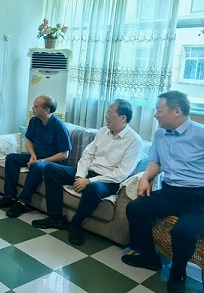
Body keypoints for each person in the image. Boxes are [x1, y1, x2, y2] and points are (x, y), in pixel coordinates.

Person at [121, 91, 204, 293]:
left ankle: (178, 273)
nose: (155, 115)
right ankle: (149, 257)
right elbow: (156, 161)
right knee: (136, 208)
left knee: (183, 231)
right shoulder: (160, 134)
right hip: (171, 192)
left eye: (159, 111)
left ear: (176, 111)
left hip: (203, 198)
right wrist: (145, 178)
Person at [31, 99, 143, 246]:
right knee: (51, 169)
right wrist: (80, 176)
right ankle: (56, 217)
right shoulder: (103, 131)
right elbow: (87, 155)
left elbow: (121, 173)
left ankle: (76, 224)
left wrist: (89, 181)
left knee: (92, 188)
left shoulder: (134, 141)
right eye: (107, 113)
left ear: (123, 118)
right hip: (88, 172)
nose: (106, 117)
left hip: (108, 181)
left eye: (110, 114)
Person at [0, 95, 72, 218]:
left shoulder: (59, 126)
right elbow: (29, 140)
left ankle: (22, 202)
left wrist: (41, 161)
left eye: (35, 106)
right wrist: (33, 155)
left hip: (53, 162)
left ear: (47, 110)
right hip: (37, 156)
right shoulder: (34, 121)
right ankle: (9, 196)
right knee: (11, 158)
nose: (32, 108)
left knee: (37, 166)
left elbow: (64, 154)